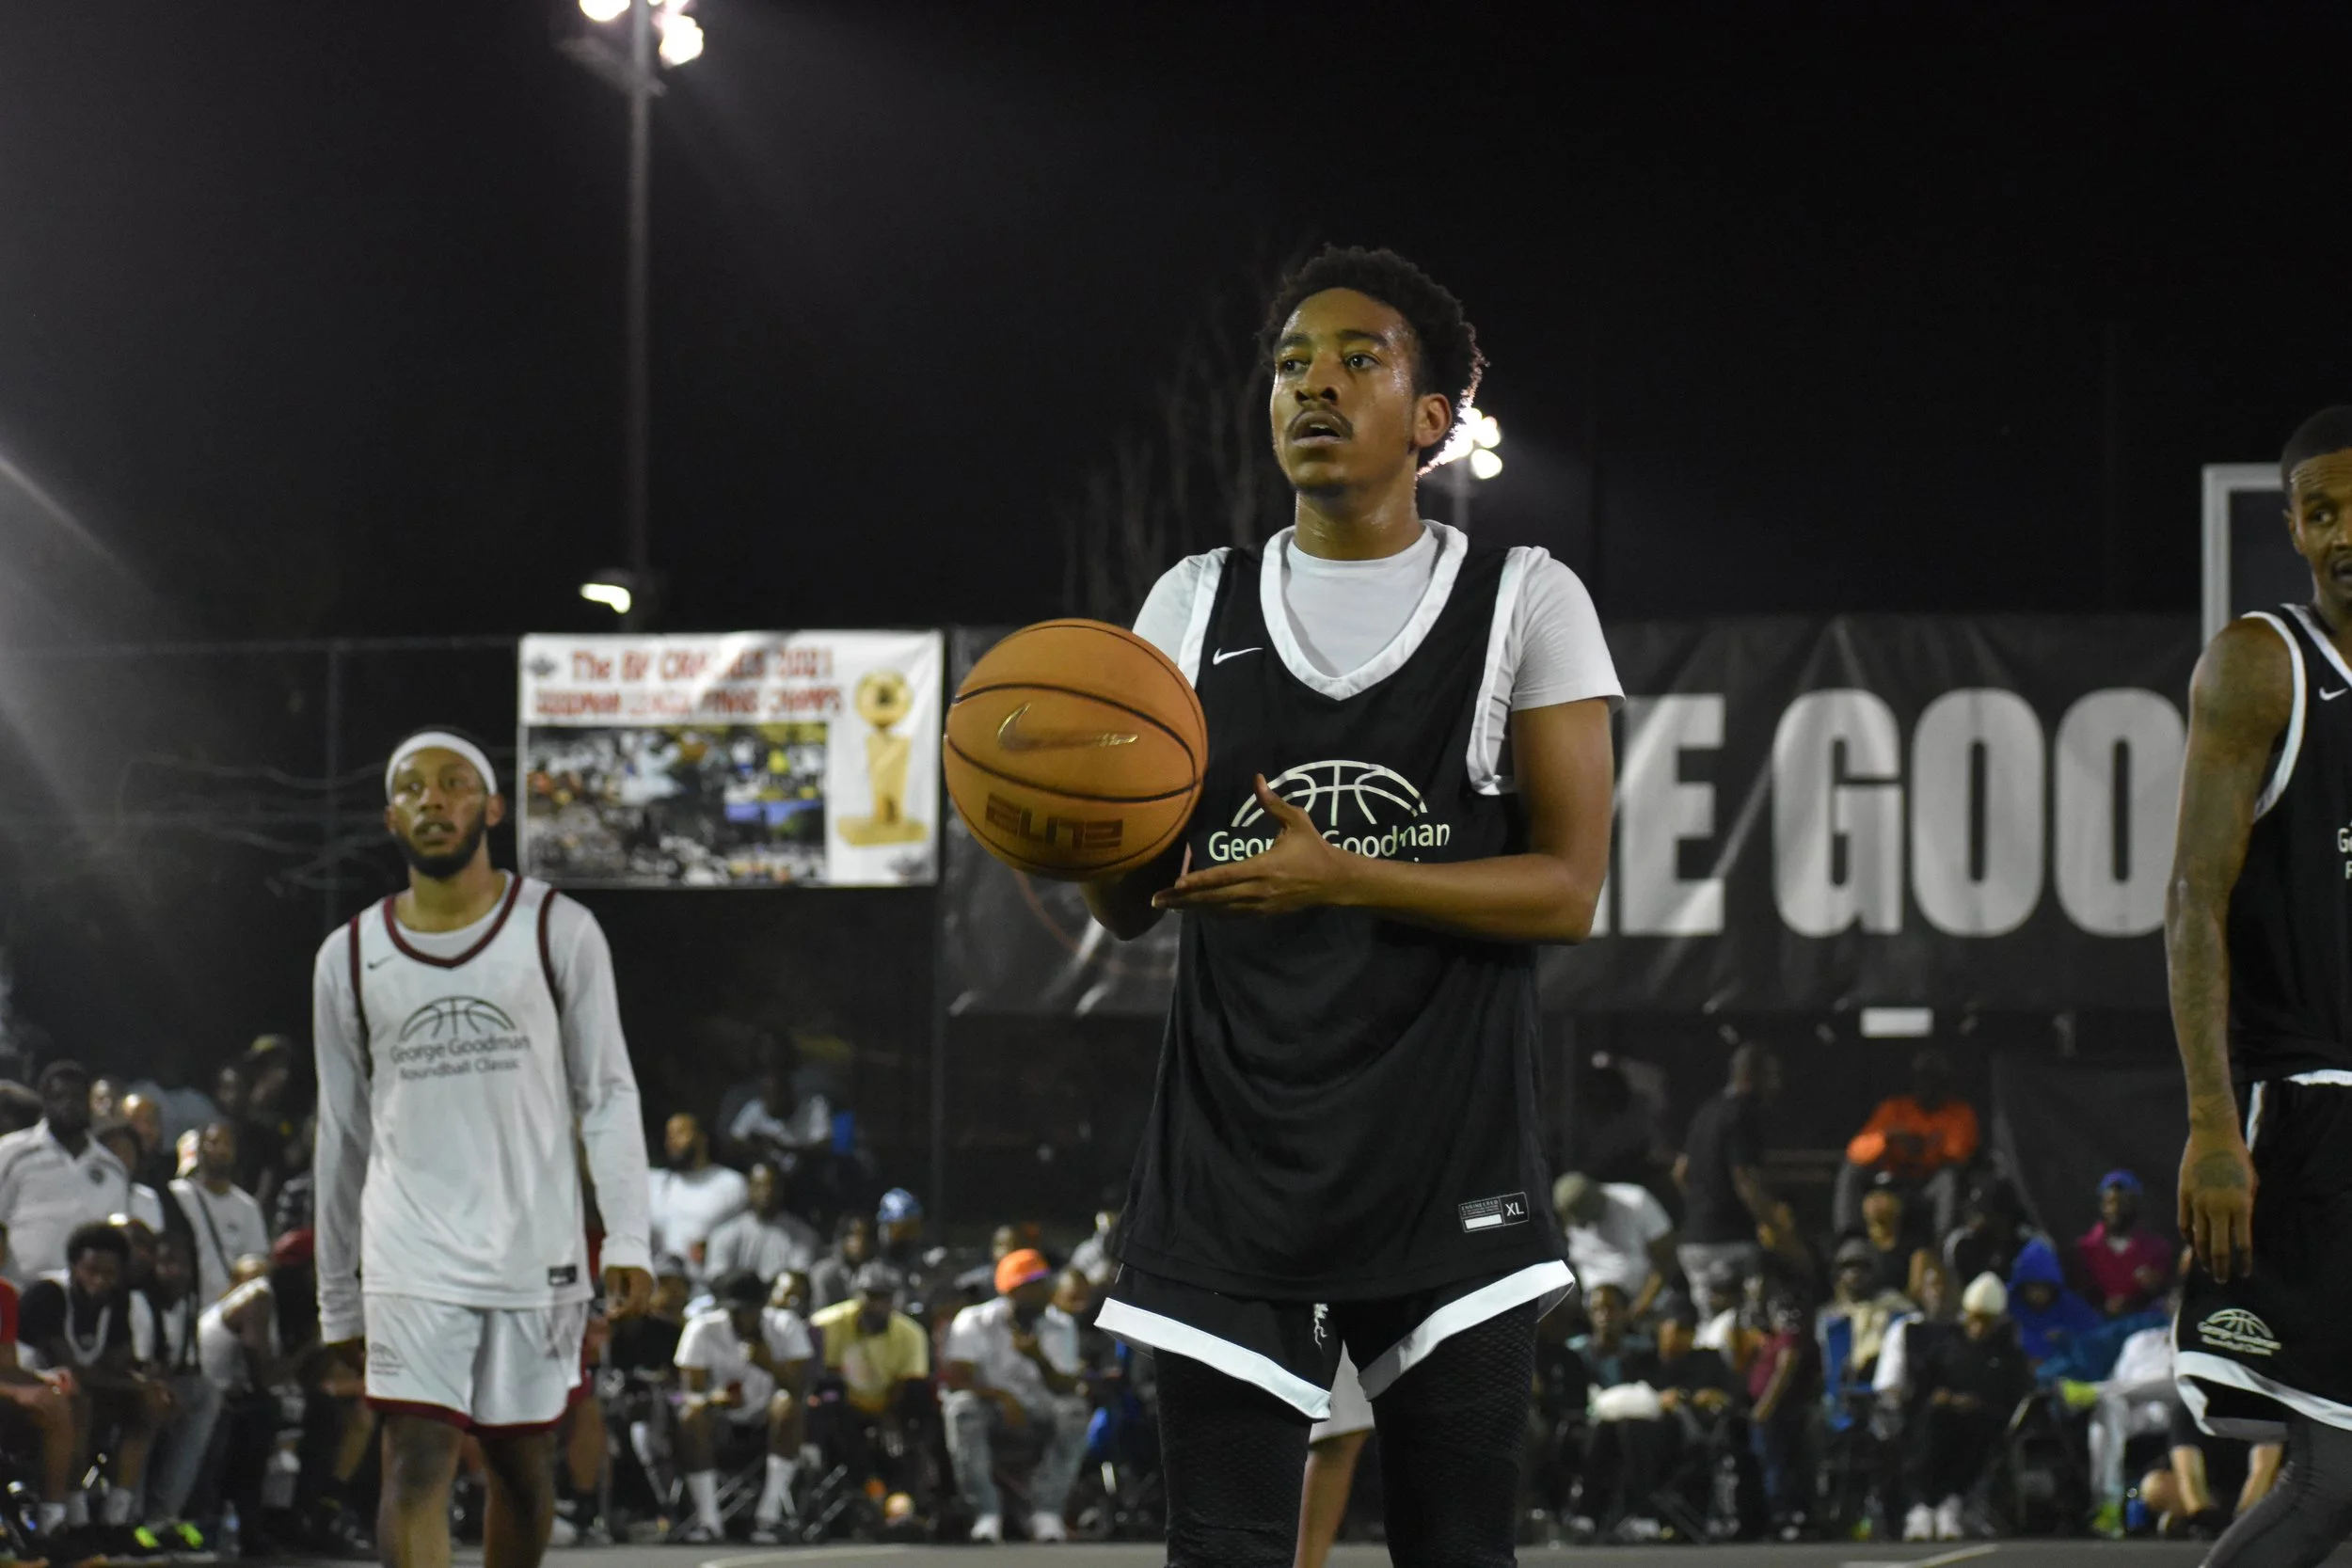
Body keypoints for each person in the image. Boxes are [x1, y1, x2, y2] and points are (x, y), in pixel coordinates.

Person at [1083, 245, 1619, 1567]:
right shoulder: (1192, 603)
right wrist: (1066, 818)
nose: (1314, 382)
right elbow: (1128, 907)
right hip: (1232, 1176)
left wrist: (1349, 873)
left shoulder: (1524, 601)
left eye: (1357, 359)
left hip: (1452, 1169)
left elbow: (1567, 890)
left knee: (1457, 1549)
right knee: (1223, 1552)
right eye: (1290, 363)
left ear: (1432, 420)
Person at [312, 727, 654, 1568]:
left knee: (520, 1464)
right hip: (409, 1247)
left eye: (455, 782)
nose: (435, 798)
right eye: (414, 787)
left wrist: (632, 1235)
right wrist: (336, 1294)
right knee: (416, 1456)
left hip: (531, 1245)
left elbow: (607, 1091)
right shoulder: (349, 955)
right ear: (391, 816)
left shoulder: (558, 928)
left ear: (493, 806)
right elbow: (343, 1130)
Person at [2168, 406, 2352, 1566]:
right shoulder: (2261, 665)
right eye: (2322, 511)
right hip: (2315, 1116)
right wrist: (2210, 1122)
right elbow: (2193, 902)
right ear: (2290, 527)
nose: (2344, 532)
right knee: (2332, 1475)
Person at [18, 1221, 169, 1544]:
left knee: (150, 1404)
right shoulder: (47, 1294)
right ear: (74, 1266)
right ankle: (70, 1517)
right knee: (79, 1400)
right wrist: (134, 1383)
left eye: (110, 1273)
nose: (100, 1281)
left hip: (80, 1393)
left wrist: (146, 1381)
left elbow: (118, 1363)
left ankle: (116, 1519)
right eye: (92, 1270)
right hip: (28, 1393)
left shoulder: (116, 1301)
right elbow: (72, 1368)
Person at [942, 1248, 1088, 1544]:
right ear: (1014, 1289)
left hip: (1040, 1411)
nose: (1045, 1291)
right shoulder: (974, 1320)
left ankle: (1046, 1511)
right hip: (992, 1411)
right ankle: (986, 1513)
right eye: (1036, 1284)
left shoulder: (1061, 1324)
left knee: (1074, 1411)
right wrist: (1001, 1397)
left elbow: (1066, 1387)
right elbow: (956, 1379)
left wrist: (1038, 1358)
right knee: (961, 1409)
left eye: (1045, 1283)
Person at [673, 1269, 813, 1546]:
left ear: (763, 1307)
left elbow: (800, 1388)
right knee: (692, 1416)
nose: (742, 1318)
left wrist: (769, 1364)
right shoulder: (702, 1328)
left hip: (768, 1423)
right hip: (721, 1422)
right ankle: (708, 1520)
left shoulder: (785, 1325)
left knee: (789, 1405)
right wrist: (715, 1398)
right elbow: (691, 1392)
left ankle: (768, 1516)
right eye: (735, 1311)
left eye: (749, 1311)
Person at [1901, 1273, 2029, 1543]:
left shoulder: (2008, 1354)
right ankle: (1924, 1505)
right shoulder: (1945, 1346)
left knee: (1976, 1430)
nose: (1978, 1327)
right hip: (1941, 1417)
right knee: (1932, 1423)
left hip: (1984, 1421)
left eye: (1986, 1321)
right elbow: (1922, 1388)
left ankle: (1952, 1501)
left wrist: (1979, 1402)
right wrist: (1941, 1398)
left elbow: (2013, 1396)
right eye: (1974, 1318)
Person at [0, 1060, 139, 1286]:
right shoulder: (11, 1153)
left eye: (77, 1098)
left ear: (89, 1103)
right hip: (21, 1291)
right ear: (45, 1102)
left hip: (88, 1297)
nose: (69, 1105)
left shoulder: (112, 1168)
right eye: (59, 1097)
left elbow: (118, 1240)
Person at [807, 1261, 931, 1503]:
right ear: (856, 1296)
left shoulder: (911, 1333)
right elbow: (817, 1376)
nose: (877, 1305)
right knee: (830, 1404)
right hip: (844, 1404)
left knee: (922, 1401)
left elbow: (908, 1383)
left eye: (884, 1298)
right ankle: (870, 1486)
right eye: (871, 1296)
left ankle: (911, 1492)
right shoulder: (825, 1325)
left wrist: (889, 1418)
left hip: (887, 1403)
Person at [1675, 1045, 1793, 1299]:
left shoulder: (1706, 1112)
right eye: (1771, 1076)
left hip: (1694, 1242)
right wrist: (1777, 1229)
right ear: (1751, 1075)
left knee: (1710, 1325)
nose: (1776, 1085)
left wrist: (1703, 1204)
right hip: (1732, 1242)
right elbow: (1746, 1182)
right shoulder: (1742, 1114)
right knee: (1741, 1325)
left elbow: (1680, 1173)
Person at [1836, 1047, 1978, 1238]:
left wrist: (1923, 1148)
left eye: (1934, 1079)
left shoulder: (1959, 1113)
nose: (1928, 1085)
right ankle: (1850, 1239)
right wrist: (1888, 1140)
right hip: (1893, 1183)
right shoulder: (1895, 1109)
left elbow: (1959, 1154)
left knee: (1948, 1179)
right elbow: (1856, 1151)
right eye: (1923, 1078)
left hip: (1928, 1186)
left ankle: (1943, 1243)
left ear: (1945, 1083)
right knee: (1851, 1169)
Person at [131, 1227, 217, 1543]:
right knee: (150, 1404)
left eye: (184, 1264)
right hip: (131, 1386)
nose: (177, 1272)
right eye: (168, 1262)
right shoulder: (140, 1300)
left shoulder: (188, 1302)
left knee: (207, 1394)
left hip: (168, 1383)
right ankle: (130, 1515)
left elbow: (188, 1362)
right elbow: (140, 1363)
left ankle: (165, 1514)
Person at [170, 1120, 271, 1307]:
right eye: (214, 1142)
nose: (221, 1150)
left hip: (230, 1308)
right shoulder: (178, 1195)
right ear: (200, 1148)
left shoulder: (247, 1207)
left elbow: (257, 1260)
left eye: (227, 1144)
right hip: (184, 1304)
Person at [1552, 1172, 1675, 1318]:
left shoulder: (1635, 1201)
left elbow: (1666, 1260)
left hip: (1646, 1306)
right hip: (1595, 1313)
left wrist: (1640, 1307)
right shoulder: (1569, 1218)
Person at [647, 1114, 748, 1283]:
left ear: (702, 1138)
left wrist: (713, 1245)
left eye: (679, 1134)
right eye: (669, 1136)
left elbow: (745, 1235)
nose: (671, 1142)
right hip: (661, 1287)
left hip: (709, 1286)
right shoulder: (656, 1182)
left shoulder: (731, 1184)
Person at [703, 1162, 821, 1288]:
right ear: (749, 1189)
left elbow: (799, 1279)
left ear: (781, 1189)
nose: (766, 1192)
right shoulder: (724, 1233)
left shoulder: (803, 1236)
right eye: (759, 1185)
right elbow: (716, 1277)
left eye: (772, 1185)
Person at [2075, 1169, 2173, 1318]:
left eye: (2123, 1202)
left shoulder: (2157, 1248)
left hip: (2144, 1323)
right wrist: (2104, 1306)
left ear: (2135, 1205)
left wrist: (2155, 1285)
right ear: (2102, 1206)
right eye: (2110, 1202)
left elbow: (2168, 1293)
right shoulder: (2085, 1248)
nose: (2115, 1209)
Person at [2005, 1236, 2103, 1369]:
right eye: (2032, 1287)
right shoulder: (2008, 1308)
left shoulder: (2072, 1307)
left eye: (2043, 1287)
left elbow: (2096, 1339)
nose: (2037, 1293)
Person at [807, 1214, 875, 1313]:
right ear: (841, 1239)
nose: (860, 1242)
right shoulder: (824, 1273)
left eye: (865, 1236)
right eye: (853, 1235)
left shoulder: (877, 1271)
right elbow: (819, 1317)